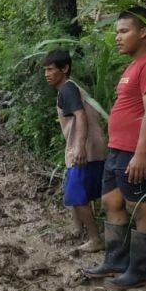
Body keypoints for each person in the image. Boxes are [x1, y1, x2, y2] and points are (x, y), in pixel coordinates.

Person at [84, 6, 146, 290]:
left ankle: (142, 270)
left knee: (139, 206)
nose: (117, 37)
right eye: (116, 31)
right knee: (111, 203)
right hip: (117, 150)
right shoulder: (132, 65)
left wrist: (142, 153)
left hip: (137, 151)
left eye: (124, 31)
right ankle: (117, 260)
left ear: (143, 32)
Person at [44, 49, 106, 253]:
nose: (47, 74)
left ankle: (95, 238)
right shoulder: (72, 89)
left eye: (51, 69)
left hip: (83, 151)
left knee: (76, 195)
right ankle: (79, 230)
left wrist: (79, 147)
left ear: (65, 68)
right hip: (92, 148)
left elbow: (80, 116)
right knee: (78, 193)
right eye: (45, 70)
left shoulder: (67, 89)